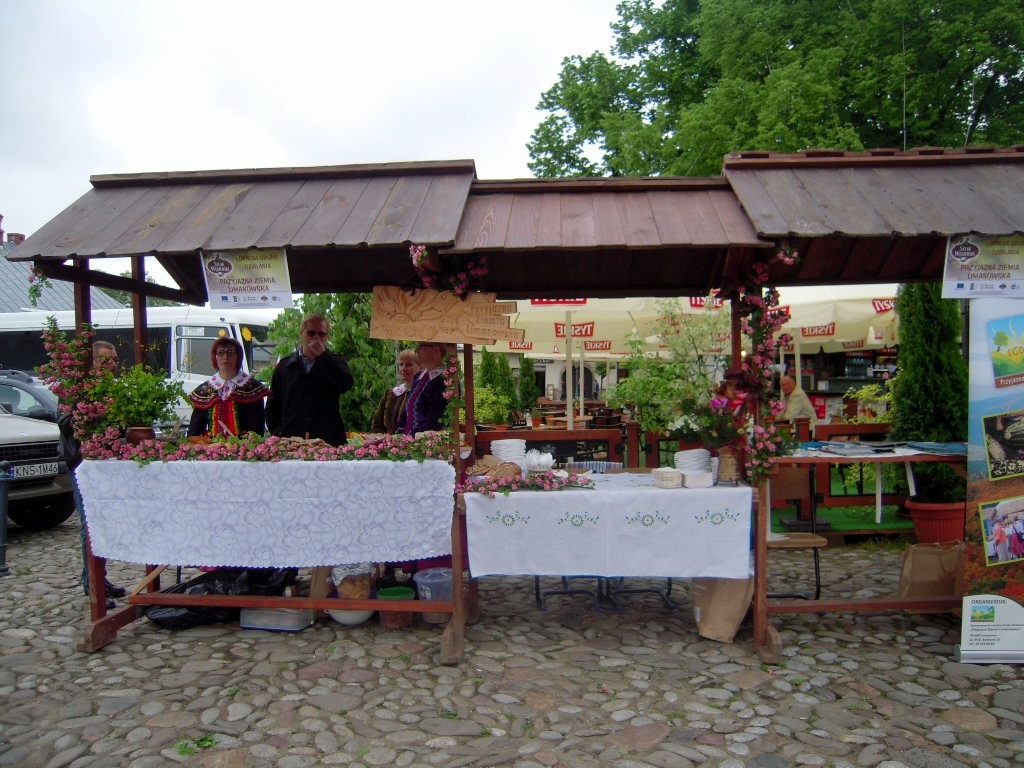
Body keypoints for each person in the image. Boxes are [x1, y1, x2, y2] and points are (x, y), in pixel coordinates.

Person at [59, 341, 125, 606]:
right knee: (90, 523)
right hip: (82, 464)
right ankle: (92, 583)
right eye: (107, 360)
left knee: (104, 523)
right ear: (93, 362)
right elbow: (65, 424)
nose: (113, 365)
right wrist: (90, 409)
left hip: (107, 464)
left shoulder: (114, 389)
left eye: (115, 360)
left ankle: (100, 577)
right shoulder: (74, 390)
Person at [265, 313, 354, 446]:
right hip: (292, 440)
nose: (316, 338)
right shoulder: (285, 366)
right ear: (302, 333)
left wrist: (323, 356)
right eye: (311, 333)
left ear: (327, 336)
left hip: (327, 441)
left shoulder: (335, 362)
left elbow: (346, 384)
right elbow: (273, 405)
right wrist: (278, 432)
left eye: (322, 334)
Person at [187, 337, 270, 438]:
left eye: (230, 352)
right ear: (215, 357)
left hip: (245, 446)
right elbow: (194, 432)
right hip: (211, 447)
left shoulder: (253, 388)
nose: (225, 357)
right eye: (220, 353)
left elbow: (256, 430)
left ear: (238, 356)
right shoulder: (204, 391)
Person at [397, 342, 450, 435]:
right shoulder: (419, 377)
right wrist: (398, 434)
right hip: (407, 438)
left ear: (436, 350)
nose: (416, 351)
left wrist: (413, 437)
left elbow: (436, 421)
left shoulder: (445, 381)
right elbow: (406, 412)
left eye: (421, 347)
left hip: (427, 440)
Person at [370, 347, 420, 433]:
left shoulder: (424, 394)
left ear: (420, 367)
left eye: (409, 364)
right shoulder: (390, 394)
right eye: (401, 364)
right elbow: (377, 424)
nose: (403, 368)